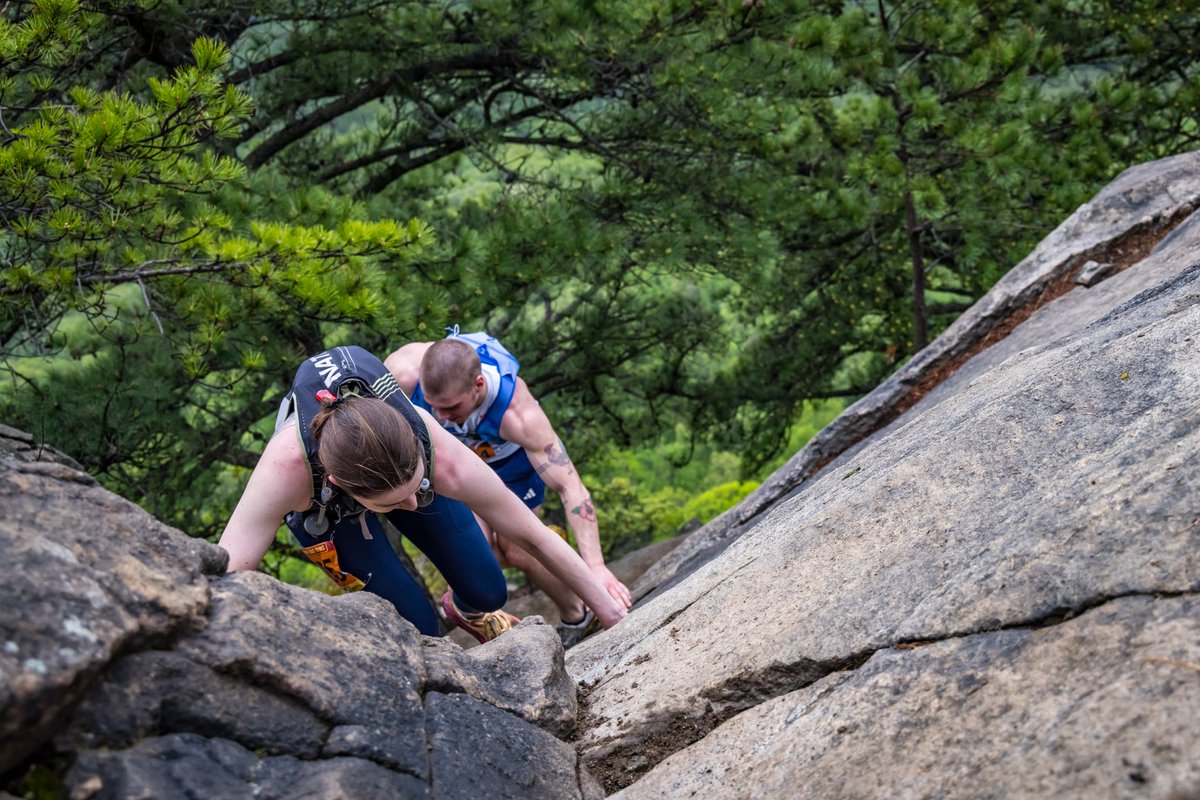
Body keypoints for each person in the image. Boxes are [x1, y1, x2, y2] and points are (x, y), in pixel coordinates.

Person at [218, 345, 626, 644]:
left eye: (417, 488)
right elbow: (227, 573)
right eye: (397, 503)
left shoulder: (429, 440)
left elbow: (531, 533)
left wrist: (611, 614)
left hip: (388, 466)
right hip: (323, 510)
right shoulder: (285, 472)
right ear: (345, 487)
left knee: (488, 591)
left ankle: (469, 612)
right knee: (418, 629)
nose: (411, 505)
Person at [385, 328, 633, 647]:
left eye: (450, 408)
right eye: (433, 406)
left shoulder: (517, 413)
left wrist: (597, 567)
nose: (440, 416)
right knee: (480, 548)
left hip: (509, 464)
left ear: (478, 385)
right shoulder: (400, 374)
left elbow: (572, 487)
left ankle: (578, 616)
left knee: (518, 545)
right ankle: (467, 606)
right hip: (452, 461)